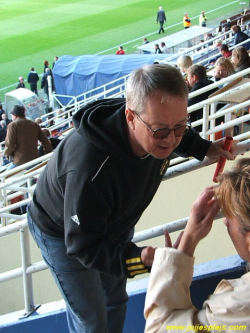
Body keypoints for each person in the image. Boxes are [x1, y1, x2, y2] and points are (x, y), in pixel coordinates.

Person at [27, 64, 236, 333]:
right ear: (130, 117)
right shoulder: (89, 170)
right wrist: (140, 257)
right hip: (64, 233)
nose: (171, 140)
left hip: (115, 222)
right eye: (160, 131)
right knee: (92, 321)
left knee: (115, 299)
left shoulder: (155, 123)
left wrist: (205, 147)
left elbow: (172, 133)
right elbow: (84, 246)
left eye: (180, 126)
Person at [144, 157, 250, 332]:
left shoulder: (238, 306)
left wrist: (188, 241)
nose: (224, 222)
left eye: (229, 216)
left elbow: (161, 329)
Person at [4, 105, 52, 170]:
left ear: (15, 115)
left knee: (4, 178)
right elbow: (46, 142)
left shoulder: (12, 125)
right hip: (35, 161)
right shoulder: (34, 124)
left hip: (20, 162)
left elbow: (10, 144)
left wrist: (7, 154)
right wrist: (47, 155)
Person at [187, 64, 218, 132]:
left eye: (188, 77)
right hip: (214, 120)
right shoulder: (212, 84)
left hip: (202, 124)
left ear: (194, 77)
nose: (187, 79)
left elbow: (188, 106)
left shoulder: (198, 89)